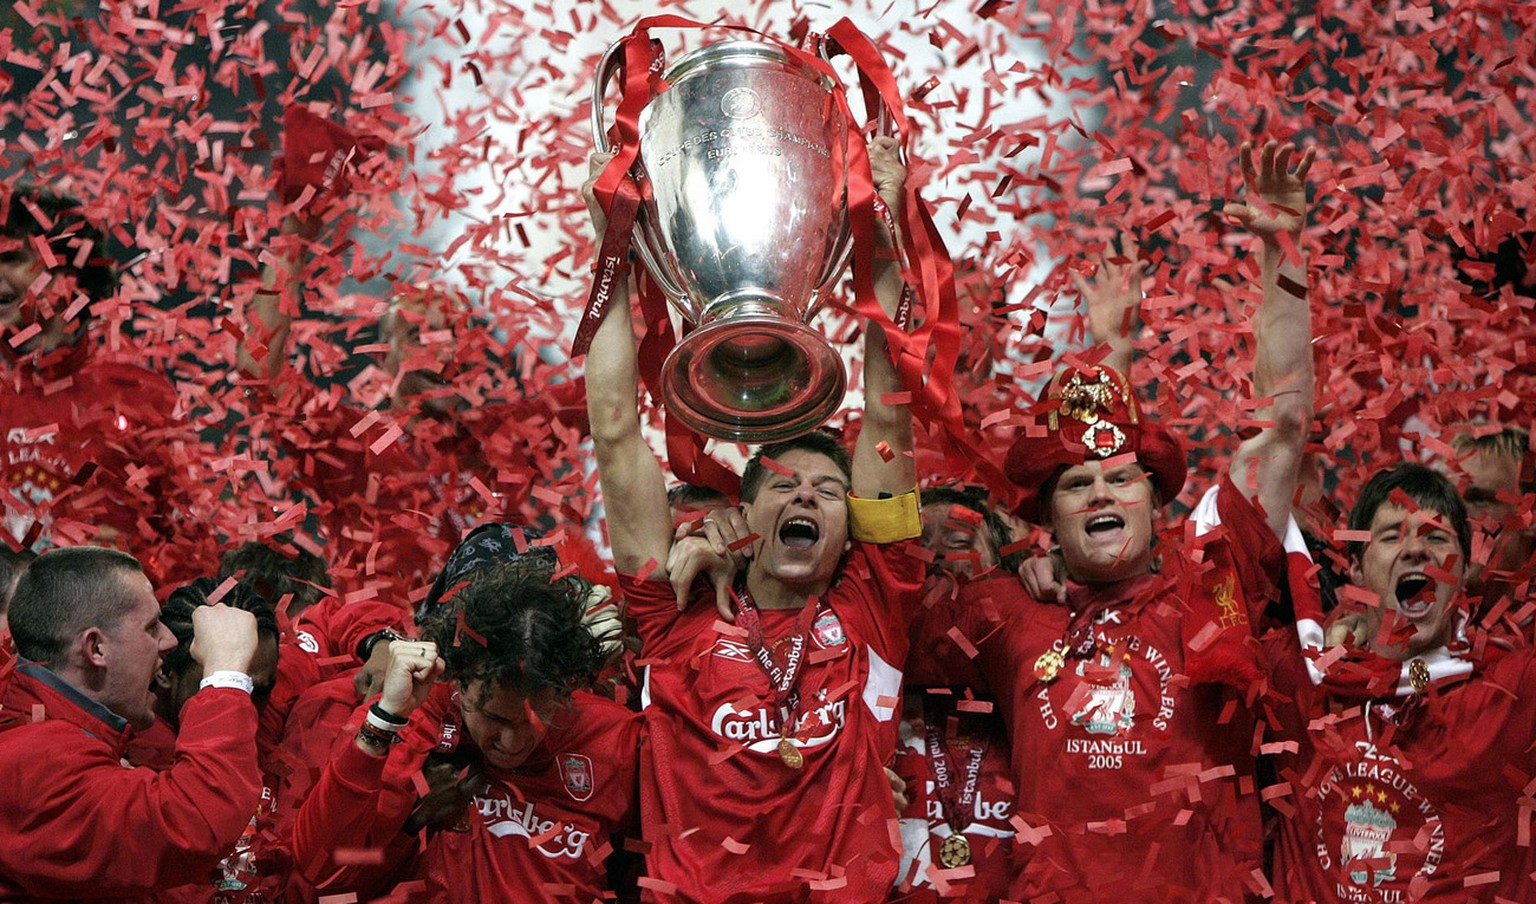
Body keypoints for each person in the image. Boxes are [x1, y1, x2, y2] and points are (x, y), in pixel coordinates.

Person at [956, 140, 1316, 901]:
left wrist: (1281, 248)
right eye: (1078, 486)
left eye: (1125, 481)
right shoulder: (1006, 607)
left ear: (1159, 503)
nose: (1102, 495)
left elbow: (1282, 423)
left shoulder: (1217, 574)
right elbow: (875, 592)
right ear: (1046, 518)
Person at [583, 134, 925, 901]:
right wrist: (609, 245)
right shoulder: (673, 617)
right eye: (782, 485)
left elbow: (888, 422)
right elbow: (613, 427)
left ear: (854, 528)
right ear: (744, 512)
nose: (805, 495)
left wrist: (886, 232)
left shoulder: (877, 604)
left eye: (828, 492)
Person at [287, 553, 639, 902]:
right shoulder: (412, 718)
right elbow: (320, 871)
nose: (514, 742)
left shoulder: (614, 737)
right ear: (459, 679)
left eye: (538, 719)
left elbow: (649, 871)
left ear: (564, 690)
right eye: (495, 718)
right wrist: (384, 722)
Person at [1267, 462, 1536, 902]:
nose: (1415, 550)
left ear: (1465, 569)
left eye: (1436, 537)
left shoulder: (1514, 689)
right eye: (1391, 537)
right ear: (1355, 569)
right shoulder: (1304, 676)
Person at [0, 546, 264, 900]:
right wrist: (225, 672)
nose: (169, 641)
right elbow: (195, 824)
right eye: (151, 626)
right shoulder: (37, 761)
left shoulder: (46, 730)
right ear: (96, 649)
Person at [1, 187, 224, 585]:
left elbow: (196, 545)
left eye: (12, 258)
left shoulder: (140, 395)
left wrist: (131, 563)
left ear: (66, 270)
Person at [891, 485, 1022, 902]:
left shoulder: (1037, 691)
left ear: (1005, 570)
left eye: (960, 543)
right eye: (917, 544)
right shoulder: (860, 688)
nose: (936, 557)